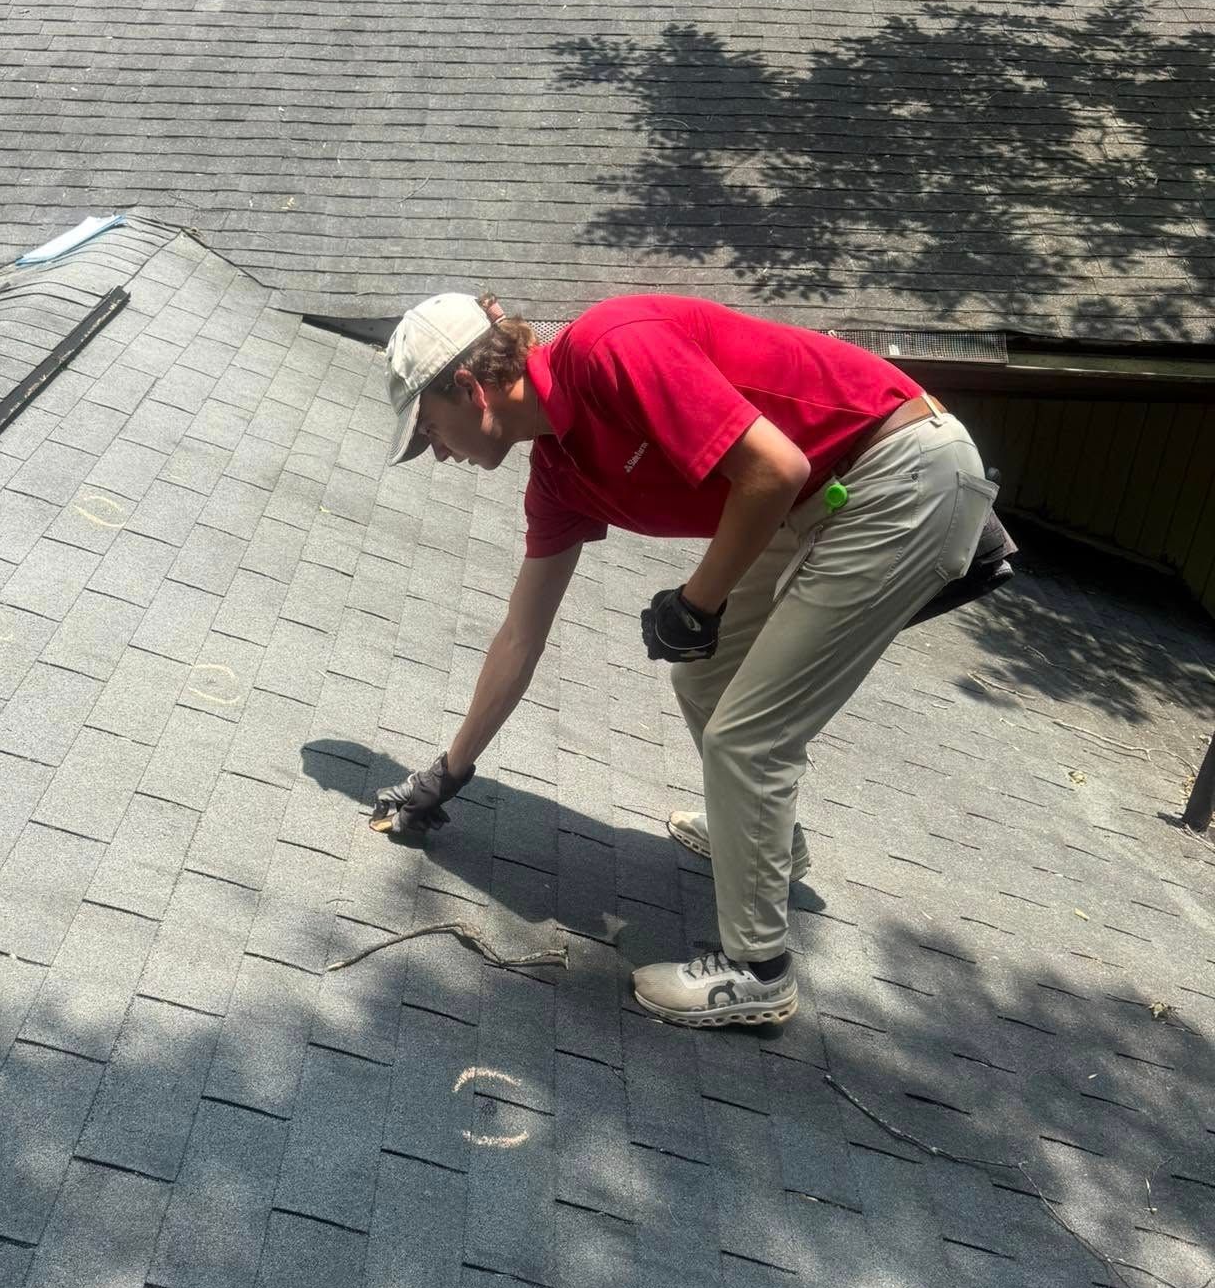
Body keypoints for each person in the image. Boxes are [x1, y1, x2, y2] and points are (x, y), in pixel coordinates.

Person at [372, 290, 1006, 1030]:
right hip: (822, 499)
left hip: (898, 475)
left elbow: (774, 468)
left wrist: (696, 604)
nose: (436, 451)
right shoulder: (561, 473)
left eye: (429, 429)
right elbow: (521, 633)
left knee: (748, 738)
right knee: (703, 672)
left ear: (468, 388)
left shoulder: (609, 349)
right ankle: (766, 842)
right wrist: (448, 772)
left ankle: (758, 973)